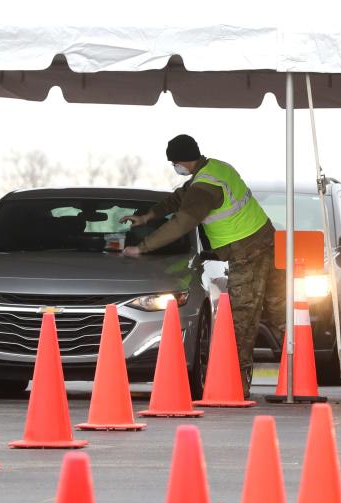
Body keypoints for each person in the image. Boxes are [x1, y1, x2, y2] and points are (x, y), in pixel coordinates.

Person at [121, 134, 284, 397]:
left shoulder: (205, 187)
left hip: (248, 251)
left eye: (174, 162)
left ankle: (237, 387)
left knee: (242, 317)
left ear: (181, 160)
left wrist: (142, 247)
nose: (175, 167)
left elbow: (182, 223)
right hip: (266, 241)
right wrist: (147, 216)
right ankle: (298, 369)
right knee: (280, 311)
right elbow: (178, 198)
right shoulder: (214, 170)